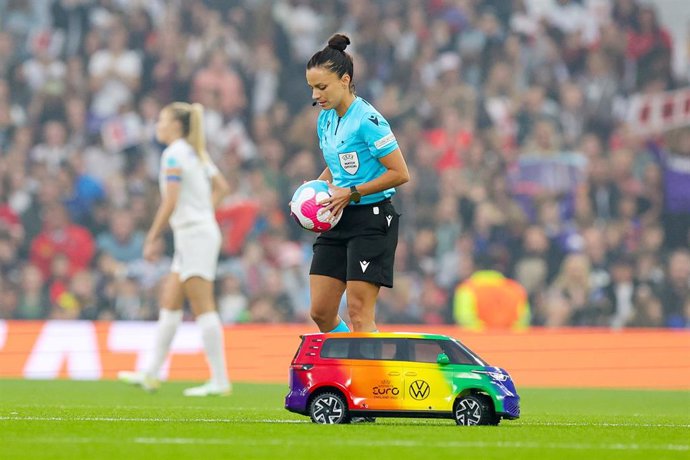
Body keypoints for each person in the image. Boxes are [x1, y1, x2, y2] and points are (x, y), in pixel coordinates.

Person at [118, 102, 231, 396]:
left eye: (162, 120)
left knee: (203, 305)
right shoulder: (195, 152)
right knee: (170, 302)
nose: (158, 124)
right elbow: (222, 187)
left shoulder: (173, 155)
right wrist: (205, 213)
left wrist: (152, 236)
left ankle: (220, 380)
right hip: (193, 235)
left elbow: (170, 201)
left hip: (194, 236)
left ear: (176, 126)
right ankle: (152, 373)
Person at [305, 34, 410, 334]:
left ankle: (370, 379)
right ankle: (352, 364)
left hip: (371, 219)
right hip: (338, 217)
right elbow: (337, 163)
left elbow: (400, 173)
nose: (315, 94)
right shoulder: (325, 119)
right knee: (321, 312)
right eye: (312, 87)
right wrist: (311, 192)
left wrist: (351, 193)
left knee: (359, 314)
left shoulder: (368, 120)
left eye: (321, 87)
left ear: (345, 80)